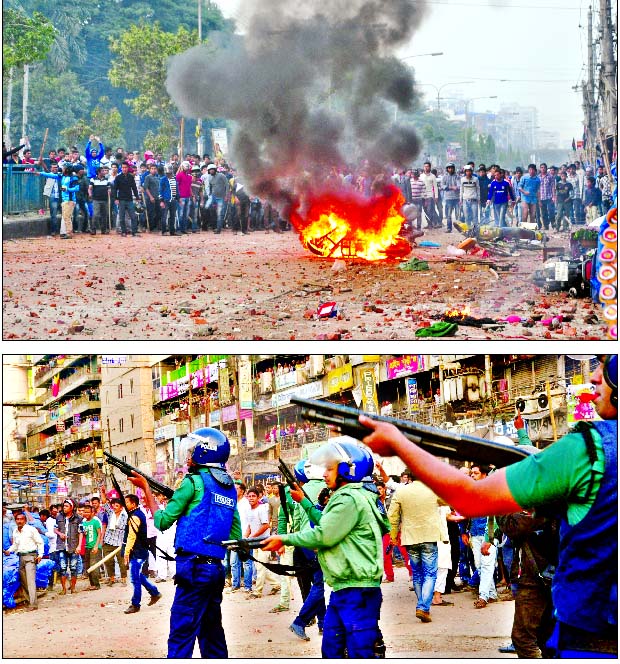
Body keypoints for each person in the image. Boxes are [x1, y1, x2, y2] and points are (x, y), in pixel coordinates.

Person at [360, 354, 617, 658]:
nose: (594, 377)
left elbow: (471, 497)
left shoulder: (589, 449)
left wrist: (400, 443)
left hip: (591, 634)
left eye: (607, 368)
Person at [262, 441, 388, 658]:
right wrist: (304, 502)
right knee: (332, 649)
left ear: (346, 469)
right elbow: (326, 524)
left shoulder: (349, 498)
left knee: (360, 652)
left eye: (331, 468)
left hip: (357, 591)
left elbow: (323, 535)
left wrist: (284, 538)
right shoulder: (353, 496)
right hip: (344, 589)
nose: (325, 474)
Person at [128, 427, 242, 659]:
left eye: (192, 451)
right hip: (216, 570)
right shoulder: (229, 487)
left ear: (204, 453)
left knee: (181, 632)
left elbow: (162, 521)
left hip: (194, 569)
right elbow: (235, 531)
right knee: (212, 634)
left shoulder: (192, 481)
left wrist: (147, 490)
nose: (188, 457)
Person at [387, 470, 443, 622]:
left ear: (409, 477)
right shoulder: (433, 490)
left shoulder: (401, 492)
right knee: (430, 574)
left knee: (417, 574)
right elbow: (448, 500)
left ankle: (422, 605)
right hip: (429, 536)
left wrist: (393, 537)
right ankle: (423, 607)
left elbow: (392, 517)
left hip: (410, 538)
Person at [122, 494, 162, 614]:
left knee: (135, 579)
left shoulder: (135, 516)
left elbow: (131, 536)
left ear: (133, 504)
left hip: (138, 552)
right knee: (137, 576)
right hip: (139, 551)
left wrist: (126, 552)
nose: (125, 505)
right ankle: (155, 593)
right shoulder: (136, 514)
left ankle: (135, 604)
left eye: (127, 502)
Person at [3, 511, 44, 611]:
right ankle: (28, 600)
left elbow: (40, 542)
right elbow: (16, 545)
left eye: (21, 519)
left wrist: (40, 555)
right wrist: (9, 551)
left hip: (31, 557)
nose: (19, 521)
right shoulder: (15, 531)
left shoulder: (31, 530)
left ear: (25, 520)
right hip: (21, 558)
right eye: (17, 519)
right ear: (15, 520)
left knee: (30, 582)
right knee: (24, 582)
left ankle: (33, 604)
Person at [54, 498, 84, 594]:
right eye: (64, 506)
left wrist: (79, 546)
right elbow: (55, 529)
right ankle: (63, 589)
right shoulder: (59, 517)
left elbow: (81, 532)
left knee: (73, 567)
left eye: (66, 506)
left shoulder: (78, 518)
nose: (64, 508)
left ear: (72, 507)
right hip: (62, 546)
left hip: (73, 546)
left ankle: (73, 588)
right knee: (62, 568)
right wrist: (60, 534)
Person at [79, 504, 103, 590]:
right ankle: (92, 584)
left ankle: (97, 585)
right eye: (84, 512)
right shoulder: (83, 523)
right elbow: (82, 534)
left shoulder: (96, 521)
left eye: (88, 512)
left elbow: (100, 534)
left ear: (92, 513)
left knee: (94, 566)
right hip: (87, 547)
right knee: (88, 566)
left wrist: (96, 546)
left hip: (95, 547)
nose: (86, 513)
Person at [113, 161, 139, 237]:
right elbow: (115, 189)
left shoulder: (131, 177)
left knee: (133, 216)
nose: (124, 169)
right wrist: (115, 198)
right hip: (121, 199)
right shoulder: (118, 178)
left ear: (128, 168)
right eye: (123, 167)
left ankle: (134, 232)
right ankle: (123, 232)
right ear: (121, 168)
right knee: (122, 217)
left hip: (130, 199)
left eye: (126, 167)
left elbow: (134, 188)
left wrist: (137, 197)